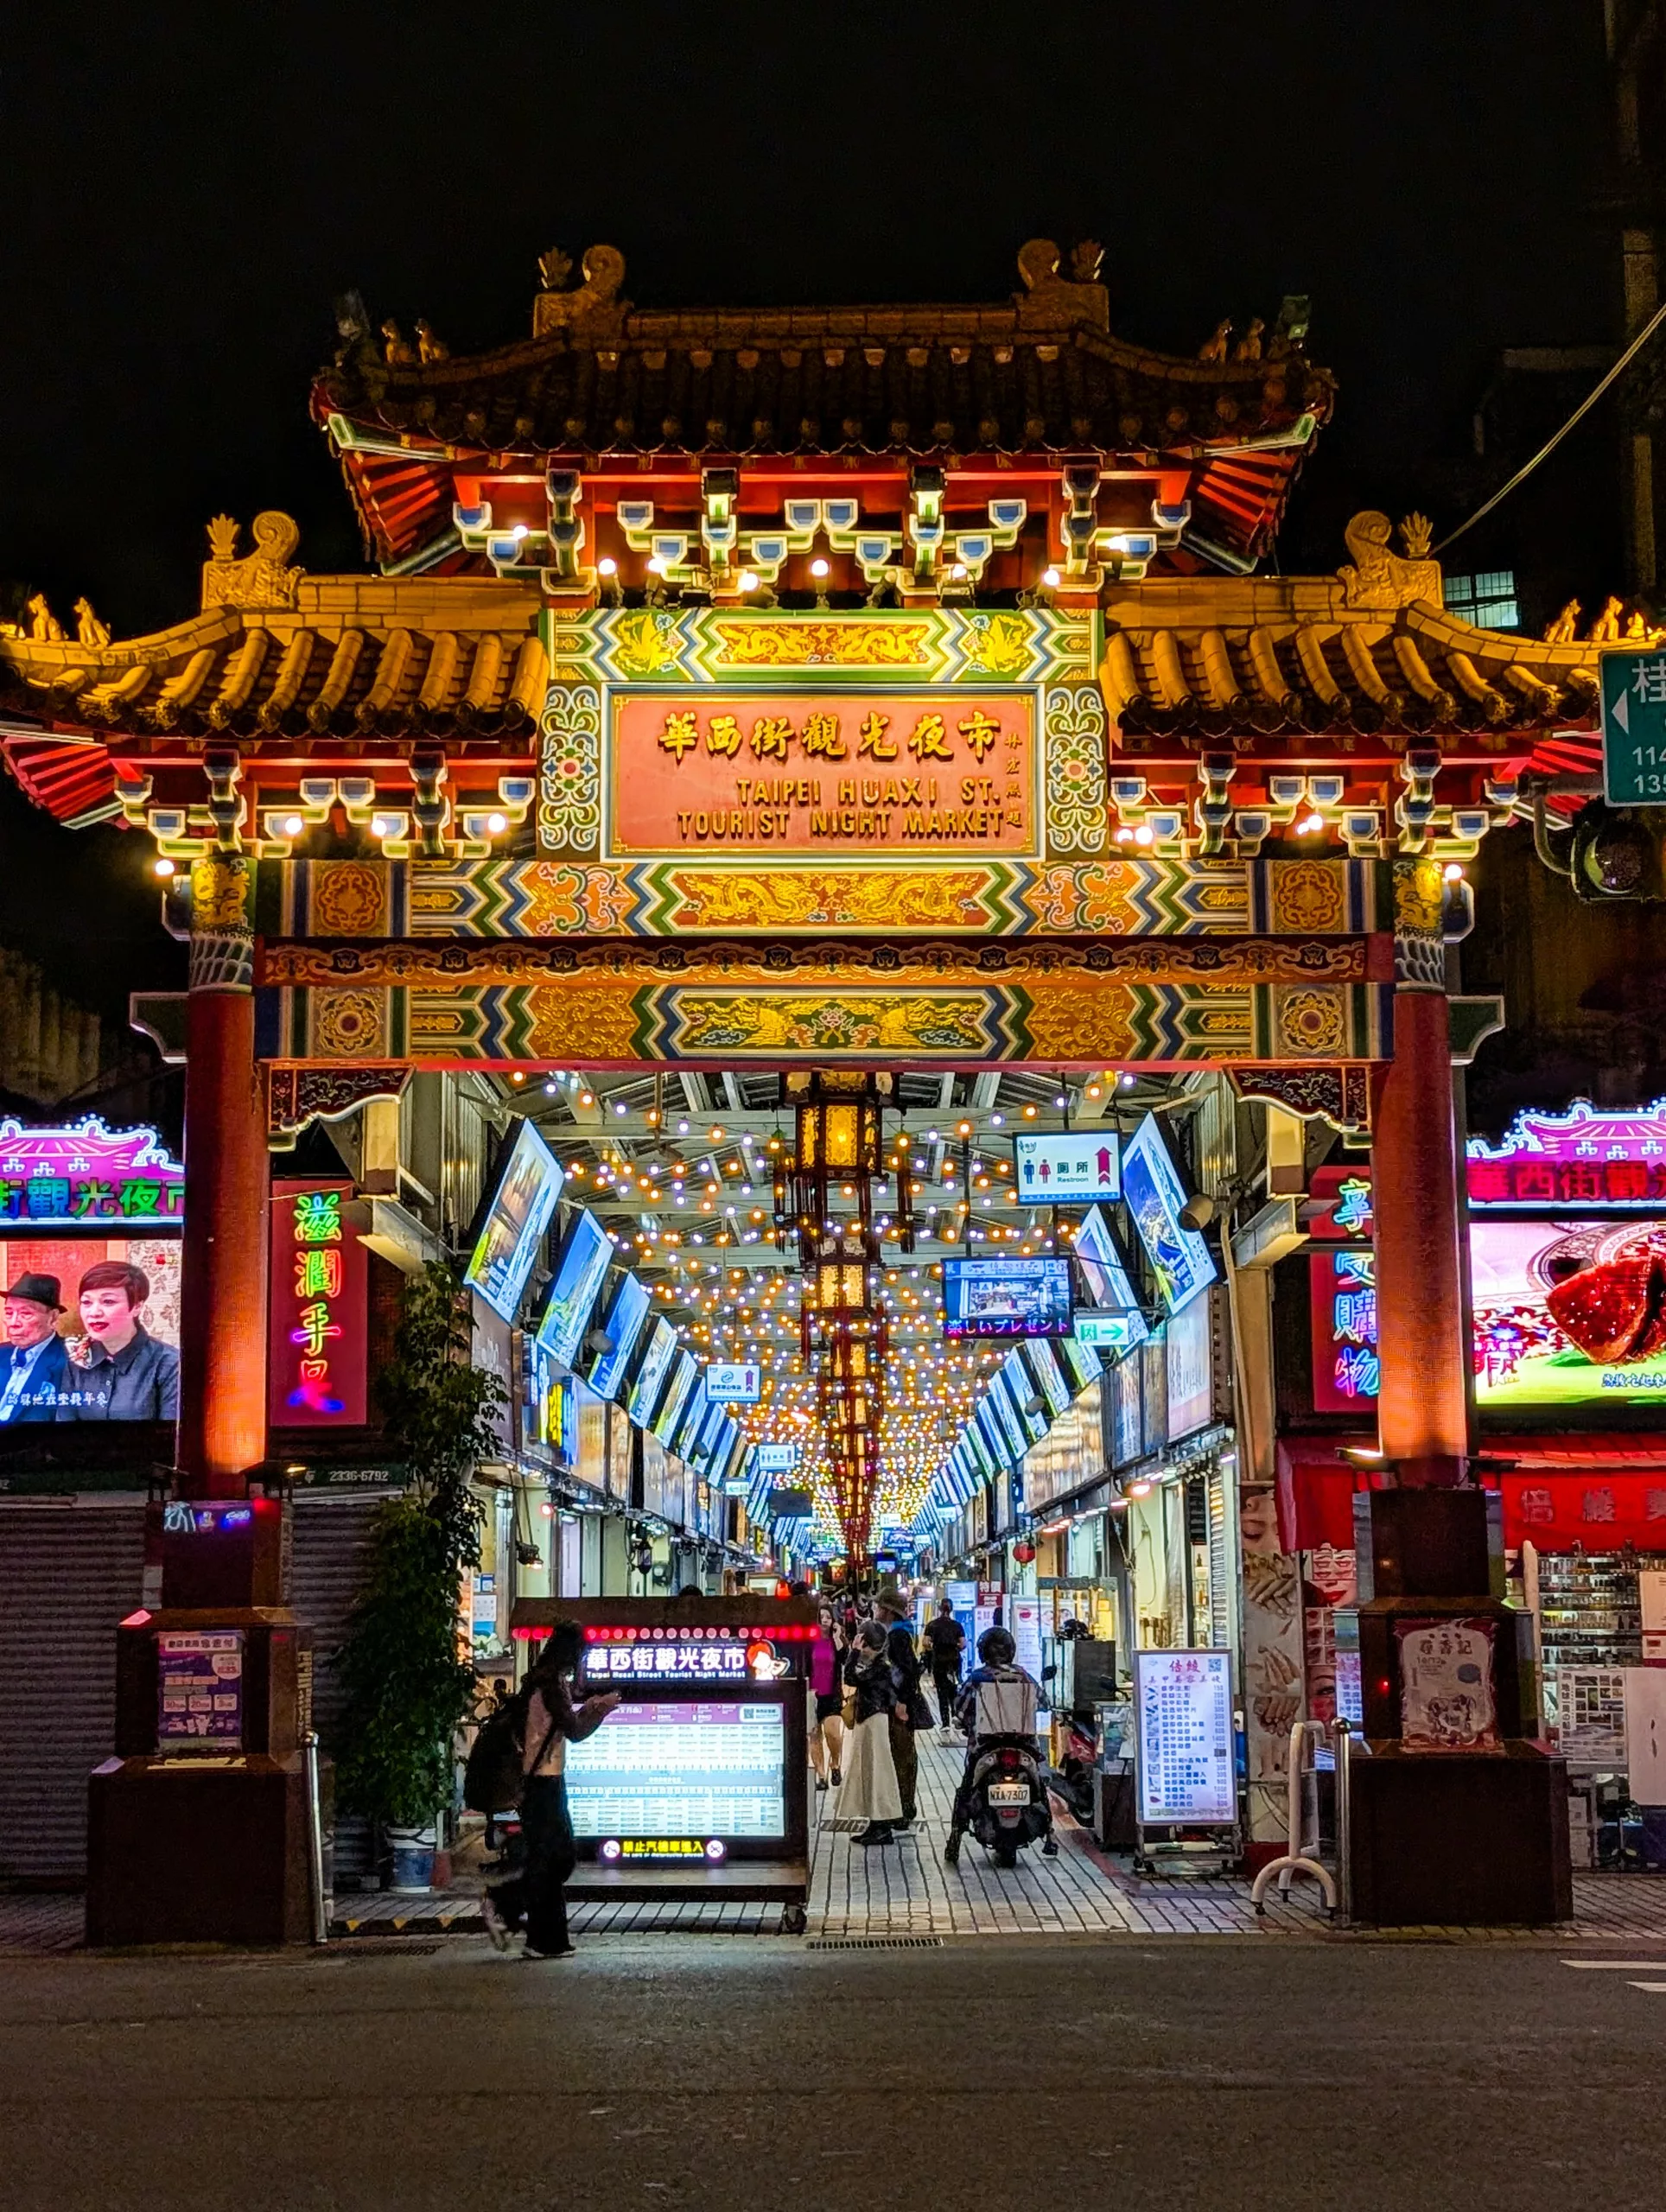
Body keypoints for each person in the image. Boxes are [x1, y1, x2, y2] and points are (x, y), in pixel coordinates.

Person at [481, 1624, 620, 1958]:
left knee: (550, 1860)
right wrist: (600, 1708)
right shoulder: (552, 1685)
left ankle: (546, 1940)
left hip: (541, 1781)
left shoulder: (539, 1680)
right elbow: (574, 1731)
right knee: (557, 1859)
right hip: (542, 1783)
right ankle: (503, 1903)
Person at [943, 1624, 1057, 1867]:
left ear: (984, 1652)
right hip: (1024, 1745)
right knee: (1041, 1787)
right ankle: (1050, 1834)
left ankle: (955, 1835)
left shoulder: (977, 1678)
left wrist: (963, 1722)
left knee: (965, 1789)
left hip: (984, 1746)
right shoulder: (1025, 1676)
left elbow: (960, 1709)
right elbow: (1044, 1703)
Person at [56, 1262, 179, 1421]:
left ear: (136, 1306)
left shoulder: (169, 1364)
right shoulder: (75, 1357)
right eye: (86, 1302)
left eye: (108, 1302)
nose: (94, 1312)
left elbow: (173, 1439)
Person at [839, 1620, 904, 1847]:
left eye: (863, 1642)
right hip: (869, 1720)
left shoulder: (880, 1667)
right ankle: (875, 1823)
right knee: (870, 1769)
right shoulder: (879, 1665)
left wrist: (853, 1654)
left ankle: (881, 1825)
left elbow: (850, 1679)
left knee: (876, 1770)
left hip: (873, 1720)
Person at [874, 1588, 925, 1829]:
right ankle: (904, 1806)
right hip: (898, 1703)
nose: (875, 1611)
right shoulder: (902, 1632)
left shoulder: (897, 1636)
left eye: (878, 1607)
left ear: (887, 1610)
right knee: (903, 1756)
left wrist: (902, 1703)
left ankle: (904, 1809)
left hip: (899, 1706)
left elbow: (908, 1669)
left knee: (902, 1757)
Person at [0, 1274, 72, 1423]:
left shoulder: (71, 1361)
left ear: (52, 1318)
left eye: (25, 1314)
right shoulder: (2, 1353)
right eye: (8, 1313)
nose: (13, 1323)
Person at [808, 1602, 845, 1792]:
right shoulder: (808, 1642)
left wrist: (838, 1637)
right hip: (812, 1695)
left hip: (832, 1695)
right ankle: (821, 1776)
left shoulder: (836, 1641)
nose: (824, 1620)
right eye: (821, 1617)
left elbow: (845, 1658)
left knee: (833, 1733)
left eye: (828, 1617)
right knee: (815, 1737)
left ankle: (836, 1764)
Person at [920, 1599, 967, 1731]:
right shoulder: (957, 1625)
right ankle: (956, 1717)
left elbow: (925, 1643)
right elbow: (963, 1644)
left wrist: (934, 1647)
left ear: (940, 1608)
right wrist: (955, 1647)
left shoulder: (932, 1625)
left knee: (942, 1691)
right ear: (951, 1609)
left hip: (939, 1661)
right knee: (954, 1689)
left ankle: (945, 1723)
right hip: (954, 1661)